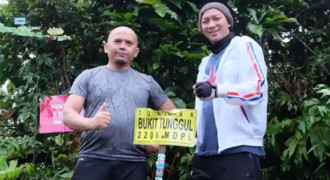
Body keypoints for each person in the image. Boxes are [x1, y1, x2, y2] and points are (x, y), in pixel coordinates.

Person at [63, 26, 175, 180]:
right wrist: (91, 123)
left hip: (134, 162)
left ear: (135, 52)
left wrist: (156, 139)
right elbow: (68, 114)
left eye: (129, 43)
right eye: (117, 41)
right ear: (106, 47)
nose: (123, 46)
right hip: (93, 158)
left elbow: (174, 116)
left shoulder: (147, 82)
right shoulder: (88, 76)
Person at [191, 2, 268, 180]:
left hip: (239, 149)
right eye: (205, 21)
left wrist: (217, 90)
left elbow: (257, 89)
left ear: (229, 23)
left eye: (217, 18)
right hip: (204, 154)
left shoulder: (244, 45)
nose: (211, 25)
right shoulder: (205, 62)